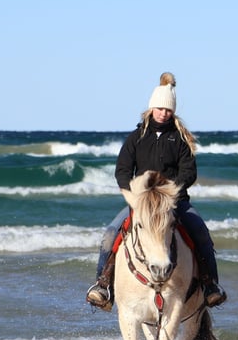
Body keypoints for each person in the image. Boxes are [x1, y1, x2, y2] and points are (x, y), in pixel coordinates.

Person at [86, 72, 226, 310]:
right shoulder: (136, 138)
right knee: (110, 234)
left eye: (168, 110)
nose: (164, 113)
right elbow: (122, 171)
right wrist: (133, 196)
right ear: (152, 108)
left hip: (175, 202)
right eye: (160, 108)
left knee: (201, 232)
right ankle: (103, 285)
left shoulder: (180, 140)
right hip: (142, 204)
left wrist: (169, 193)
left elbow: (189, 172)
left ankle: (210, 285)